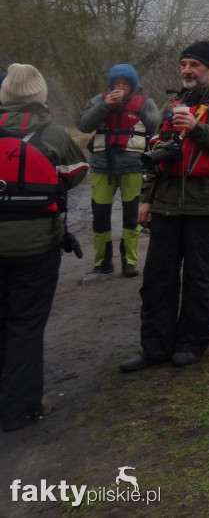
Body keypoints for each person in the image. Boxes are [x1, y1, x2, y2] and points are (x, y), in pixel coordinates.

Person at [120, 41, 209, 372]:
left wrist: (197, 128)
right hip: (166, 204)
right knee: (157, 277)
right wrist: (146, 199)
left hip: (206, 205)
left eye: (194, 64)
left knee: (197, 277)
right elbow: (157, 152)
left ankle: (191, 344)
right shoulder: (174, 103)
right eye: (183, 64)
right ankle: (155, 347)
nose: (187, 70)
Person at [1, 64, 89, 431]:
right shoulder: (52, 134)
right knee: (25, 323)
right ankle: (20, 408)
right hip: (36, 246)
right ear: (40, 97)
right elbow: (77, 173)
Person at [77, 64, 162, 280]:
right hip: (102, 167)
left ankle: (129, 263)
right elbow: (83, 125)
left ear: (132, 85)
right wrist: (105, 106)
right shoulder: (99, 101)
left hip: (132, 167)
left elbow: (155, 128)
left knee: (131, 217)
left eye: (124, 84)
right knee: (100, 216)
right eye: (116, 84)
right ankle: (102, 263)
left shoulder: (145, 103)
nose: (120, 87)